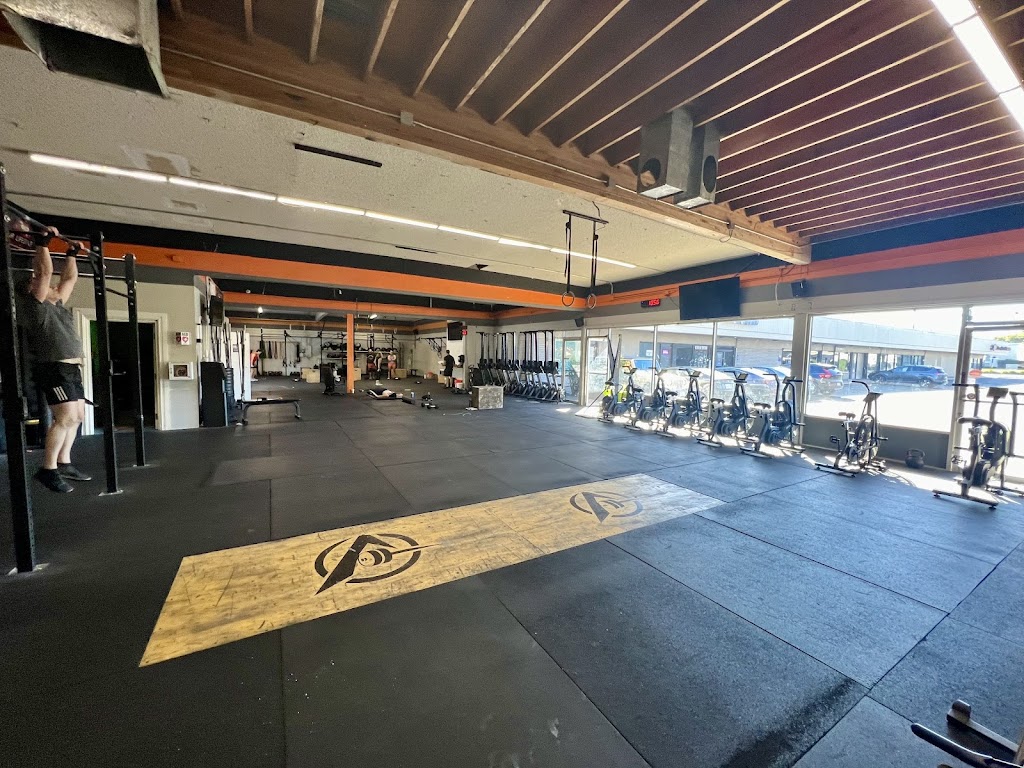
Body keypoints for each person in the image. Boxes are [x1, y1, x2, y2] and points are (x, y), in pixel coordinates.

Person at [15, 222, 91, 492]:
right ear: (34, 287)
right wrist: (43, 244)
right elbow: (44, 272)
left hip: (70, 368)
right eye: (45, 285)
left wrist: (71, 254)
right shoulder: (35, 305)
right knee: (65, 418)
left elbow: (69, 279)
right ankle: (47, 469)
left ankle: (63, 461)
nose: (54, 287)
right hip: (54, 368)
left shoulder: (56, 303)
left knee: (78, 416)